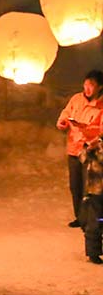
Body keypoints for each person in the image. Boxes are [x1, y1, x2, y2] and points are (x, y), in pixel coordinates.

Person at [56, 71, 103, 228]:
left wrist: (91, 136)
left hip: (91, 152)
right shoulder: (76, 99)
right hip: (73, 149)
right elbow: (66, 112)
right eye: (86, 84)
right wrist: (62, 121)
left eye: (92, 85)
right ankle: (80, 217)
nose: (87, 88)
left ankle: (91, 220)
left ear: (100, 87)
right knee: (75, 185)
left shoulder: (101, 105)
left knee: (89, 187)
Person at [78, 138, 103, 264]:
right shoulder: (94, 142)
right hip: (95, 190)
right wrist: (89, 149)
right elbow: (82, 158)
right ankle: (93, 252)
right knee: (95, 221)